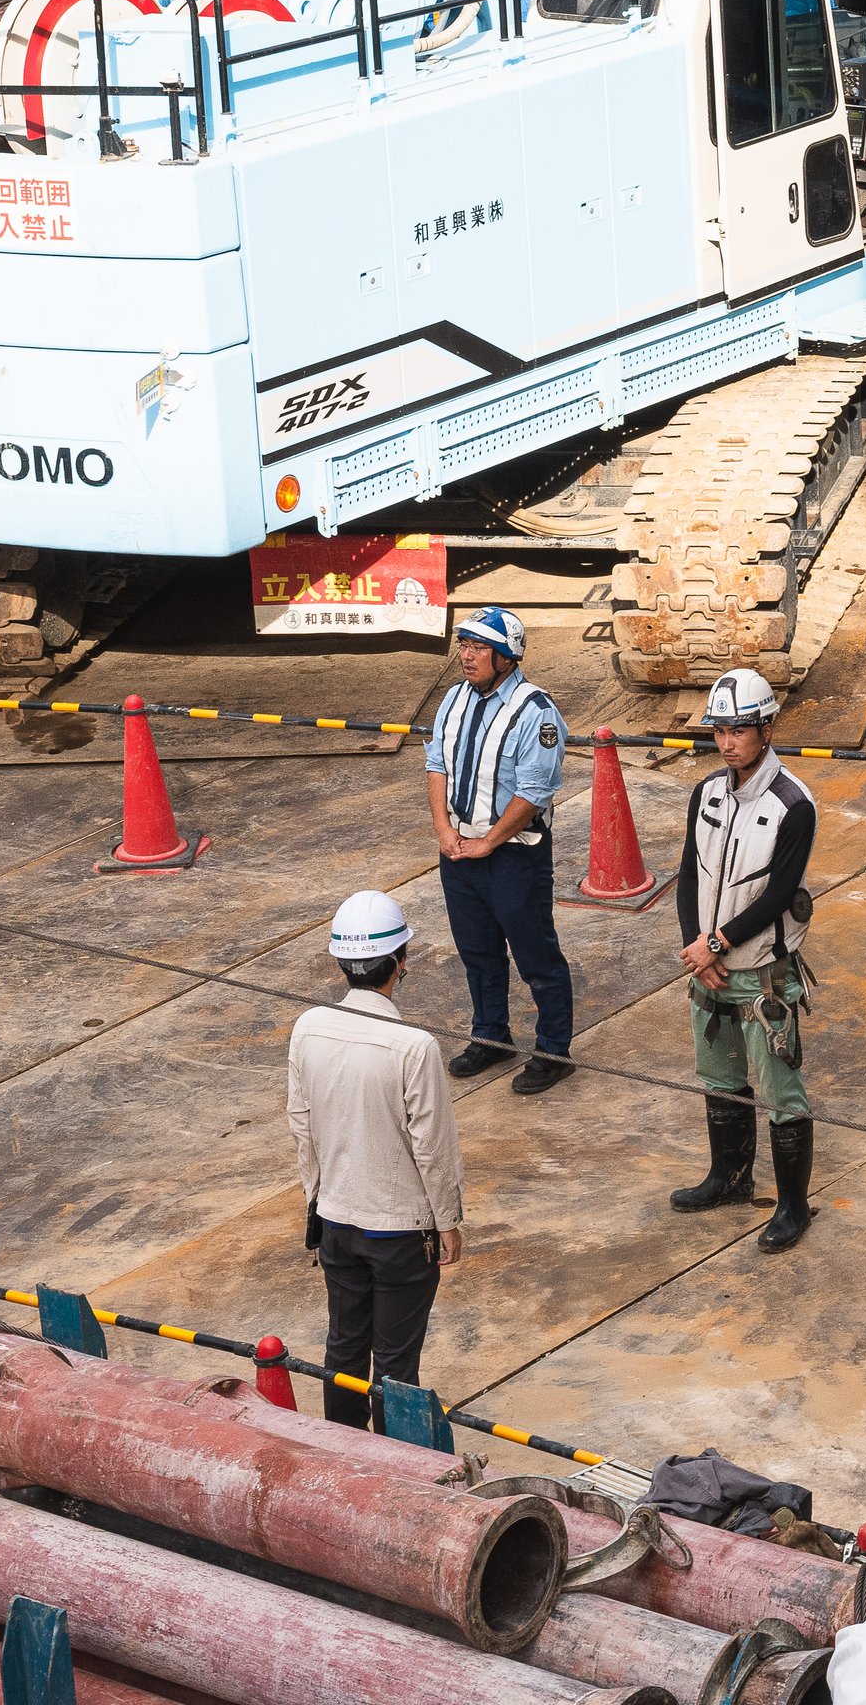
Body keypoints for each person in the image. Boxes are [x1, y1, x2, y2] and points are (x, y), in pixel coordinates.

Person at [287, 890, 463, 1431]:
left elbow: (302, 1127)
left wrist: (318, 1202)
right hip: (400, 1234)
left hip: (338, 1221)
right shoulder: (415, 1046)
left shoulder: (308, 1027)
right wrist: (449, 1221)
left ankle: (341, 1449)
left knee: (343, 1350)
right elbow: (431, 1148)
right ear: (401, 962)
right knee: (395, 1364)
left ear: (341, 962)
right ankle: (394, 1461)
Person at [667, 667, 821, 1254]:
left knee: (781, 1091)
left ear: (767, 728)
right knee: (721, 1079)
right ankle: (728, 1178)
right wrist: (696, 950)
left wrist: (717, 943)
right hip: (710, 968)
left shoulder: (793, 805)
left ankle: (792, 1206)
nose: (727, 742)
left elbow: (779, 895)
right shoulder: (705, 792)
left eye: (738, 730)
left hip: (761, 972)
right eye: (719, 731)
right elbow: (689, 876)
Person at [426, 606, 575, 1095]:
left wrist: (488, 842)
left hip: (513, 856)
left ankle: (553, 1051)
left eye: (478, 649)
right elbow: (436, 766)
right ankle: (491, 1036)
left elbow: (535, 792)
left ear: (507, 658)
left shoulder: (536, 713)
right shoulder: (453, 699)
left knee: (537, 957)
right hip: (459, 850)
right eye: (463, 646)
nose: (466, 657)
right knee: (478, 952)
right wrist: (444, 831)